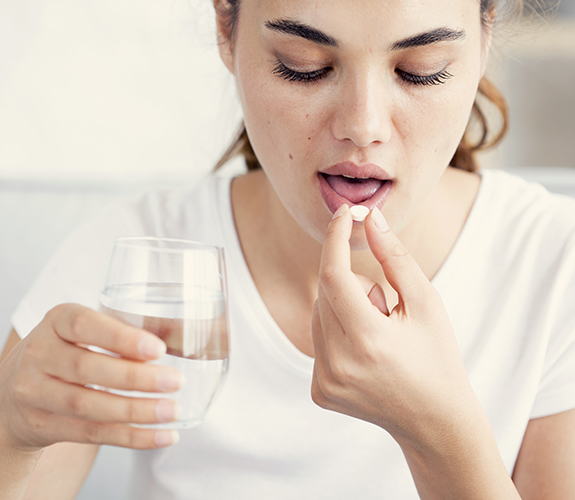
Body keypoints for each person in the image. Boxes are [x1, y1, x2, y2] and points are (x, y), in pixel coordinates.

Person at [1, 0, 574, 498]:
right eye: (304, 67)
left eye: (420, 71)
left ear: (485, 36)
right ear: (227, 25)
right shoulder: (136, 264)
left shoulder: (554, 264)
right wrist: (10, 431)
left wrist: (439, 434)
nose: (363, 127)